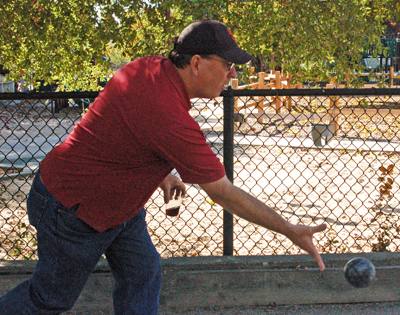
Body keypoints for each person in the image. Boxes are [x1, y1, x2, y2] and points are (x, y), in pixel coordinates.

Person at [0, 20, 327, 314]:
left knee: (142, 273)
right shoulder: (169, 115)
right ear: (197, 63)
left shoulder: (148, 70)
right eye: (227, 64)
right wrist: (289, 229)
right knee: (50, 298)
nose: (233, 74)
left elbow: (121, 133)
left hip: (118, 209)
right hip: (72, 208)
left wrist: (162, 175)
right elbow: (224, 193)